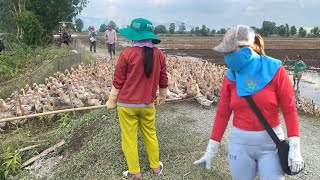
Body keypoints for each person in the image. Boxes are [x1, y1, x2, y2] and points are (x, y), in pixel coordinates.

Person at [194, 25, 304, 180]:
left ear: (247, 47)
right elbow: (222, 114)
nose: (227, 56)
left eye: (231, 51)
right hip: (240, 146)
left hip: (271, 146)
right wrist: (211, 149)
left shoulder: (275, 71)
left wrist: (295, 148)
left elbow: (290, 110)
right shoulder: (231, 76)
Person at [106, 18, 168, 180]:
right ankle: (155, 167)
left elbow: (118, 81)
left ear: (133, 36)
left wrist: (112, 100)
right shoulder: (159, 54)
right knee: (150, 134)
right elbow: (163, 79)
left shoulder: (127, 54)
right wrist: (162, 95)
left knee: (129, 138)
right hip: (147, 105)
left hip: (126, 106)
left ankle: (135, 172)